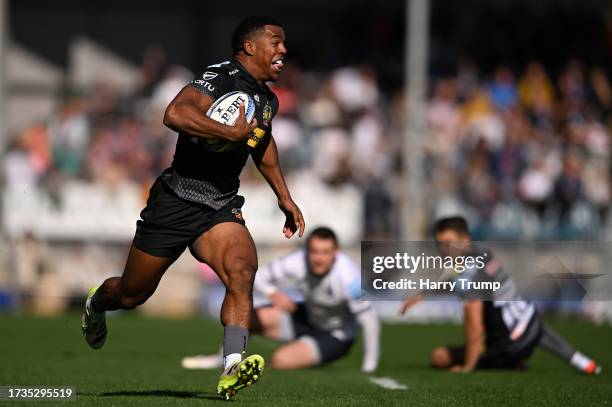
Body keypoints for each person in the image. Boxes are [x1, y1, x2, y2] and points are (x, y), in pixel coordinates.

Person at [81, 16, 305, 400]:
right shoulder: (220, 76)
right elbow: (175, 114)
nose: (283, 49)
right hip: (176, 199)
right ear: (249, 47)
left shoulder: (267, 100)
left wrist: (284, 196)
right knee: (132, 295)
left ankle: (231, 367)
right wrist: (228, 132)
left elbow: (262, 144)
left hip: (219, 205)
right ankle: (97, 303)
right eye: (275, 41)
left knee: (242, 269)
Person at [399, 216, 601, 374]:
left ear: (465, 239)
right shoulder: (480, 253)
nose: (444, 250)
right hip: (531, 319)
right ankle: (586, 363)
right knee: (531, 326)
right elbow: (454, 279)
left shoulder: (468, 273)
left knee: (439, 357)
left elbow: (474, 323)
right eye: (440, 244)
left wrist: (469, 367)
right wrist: (424, 294)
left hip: (509, 343)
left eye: (449, 243)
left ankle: (510, 361)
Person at [182, 227, 380, 373]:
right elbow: (257, 276)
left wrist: (368, 367)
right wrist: (272, 293)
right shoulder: (297, 262)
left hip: (335, 335)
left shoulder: (349, 277)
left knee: (280, 361)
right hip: (305, 315)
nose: (319, 258)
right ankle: (224, 361)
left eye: (325, 252)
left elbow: (370, 322)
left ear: (335, 253)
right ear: (307, 251)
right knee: (248, 317)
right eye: (315, 252)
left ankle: (301, 352)